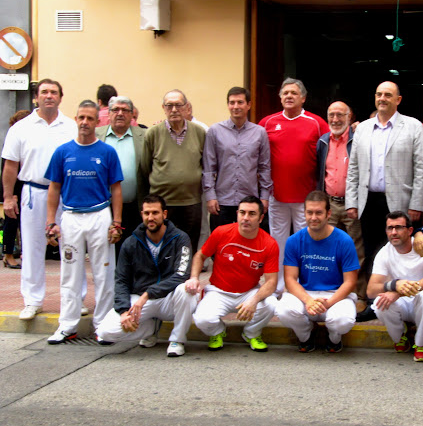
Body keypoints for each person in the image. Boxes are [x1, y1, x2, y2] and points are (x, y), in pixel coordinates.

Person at [346, 81, 423, 319]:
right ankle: (375, 304)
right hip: (369, 201)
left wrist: (416, 204)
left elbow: (421, 169)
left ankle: (404, 303)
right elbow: (353, 168)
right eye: (379, 94)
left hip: (400, 202)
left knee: (400, 252)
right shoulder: (362, 129)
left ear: (398, 100)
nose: (383, 98)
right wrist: (352, 201)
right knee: (372, 253)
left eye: (388, 95)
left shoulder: (413, 127)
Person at [45, 100, 123, 344]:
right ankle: (67, 325)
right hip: (70, 218)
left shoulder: (107, 152)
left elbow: (116, 189)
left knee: (104, 272)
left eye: (90, 118)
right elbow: (54, 188)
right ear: (76, 119)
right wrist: (51, 222)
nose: (85, 123)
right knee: (69, 273)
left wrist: (117, 222)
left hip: (100, 215)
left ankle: (103, 325)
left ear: (97, 121)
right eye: (81, 118)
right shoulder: (62, 152)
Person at [1, 79, 77, 320]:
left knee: (70, 247)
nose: (49, 96)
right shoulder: (21, 128)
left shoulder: (71, 127)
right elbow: (11, 166)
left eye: (54, 92)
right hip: (34, 192)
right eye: (44, 92)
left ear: (61, 97)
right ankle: (32, 300)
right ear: (36, 97)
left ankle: (72, 300)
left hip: (66, 195)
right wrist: (8, 197)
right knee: (33, 248)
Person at [95, 194, 198, 357]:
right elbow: (121, 280)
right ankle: (150, 329)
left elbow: (181, 275)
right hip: (141, 301)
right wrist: (123, 312)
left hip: (168, 299)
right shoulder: (130, 243)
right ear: (141, 214)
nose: (151, 218)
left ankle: (177, 339)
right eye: (147, 213)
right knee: (104, 332)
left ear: (164, 214)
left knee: (187, 291)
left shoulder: (180, 238)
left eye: (155, 213)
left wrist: (148, 294)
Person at [258, 78, 329, 293]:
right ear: (280, 97)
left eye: (294, 93)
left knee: (305, 243)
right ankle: (278, 285)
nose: (289, 96)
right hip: (276, 195)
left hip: (307, 198)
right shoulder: (267, 123)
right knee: (278, 244)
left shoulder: (316, 122)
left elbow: (337, 139)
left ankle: (302, 284)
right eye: (285, 93)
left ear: (303, 98)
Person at [185, 196, 279, 352]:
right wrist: (194, 277)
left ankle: (251, 333)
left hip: (249, 293)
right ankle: (218, 331)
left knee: (272, 304)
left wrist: (254, 300)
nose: (246, 218)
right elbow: (200, 255)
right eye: (242, 213)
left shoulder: (269, 244)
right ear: (237, 214)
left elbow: (271, 282)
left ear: (261, 218)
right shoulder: (221, 232)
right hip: (218, 292)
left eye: (252, 214)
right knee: (202, 319)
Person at [276, 191, 360, 353]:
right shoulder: (294, 241)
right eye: (309, 212)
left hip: (336, 295)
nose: (313, 217)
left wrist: (328, 303)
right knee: (283, 310)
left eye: (319, 213)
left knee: (343, 320)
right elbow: (290, 280)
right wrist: (309, 301)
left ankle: (334, 338)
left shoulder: (344, 241)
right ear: (304, 213)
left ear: (328, 214)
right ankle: (306, 335)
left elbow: (350, 281)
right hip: (306, 294)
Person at [367, 212, 423, 362]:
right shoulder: (384, 253)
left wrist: (399, 292)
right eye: (390, 228)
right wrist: (394, 285)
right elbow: (371, 290)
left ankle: (420, 344)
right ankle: (400, 337)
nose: (394, 232)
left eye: (399, 227)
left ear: (410, 230)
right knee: (379, 303)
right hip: (402, 306)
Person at [142, 89, 206, 253]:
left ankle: (185, 278)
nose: (174, 110)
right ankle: (164, 278)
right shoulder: (152, 133)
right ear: (163, 108)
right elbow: (144, 168)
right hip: (162, 203)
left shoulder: (199, 132)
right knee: (162, 247)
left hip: (191, 202)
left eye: (178, 105)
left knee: (188, 247)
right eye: (169, 106)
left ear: (186, 107)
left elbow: (205, 165)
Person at [203, 87, 271, 232]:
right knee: (220, 246)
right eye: (232, 102)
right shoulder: (215, 131)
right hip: (221, 201)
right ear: (227, 105)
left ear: (249, 105)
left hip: (250, 202)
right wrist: (210, 196)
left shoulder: (259, 132)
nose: (235, 106)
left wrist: (265, 197)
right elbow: (209, 167)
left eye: (240, 102)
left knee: (248, 245)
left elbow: (264, 167)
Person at [316, 101, 365, 298]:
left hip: (352, 204)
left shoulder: (358, 138)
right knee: (327, 249)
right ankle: (329, 290)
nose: (335, 119)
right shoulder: (323, 141)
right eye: (332, 115)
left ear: (349, 117)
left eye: (340, 115)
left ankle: (359, 295)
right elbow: (319, 172)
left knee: (356, 251)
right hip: (329, 203)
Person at [96, 96, 147, 257]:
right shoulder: (96, 136)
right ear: (108, 113)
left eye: (125, 110)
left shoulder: (145, 136)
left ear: (132, 115)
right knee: (104, 252)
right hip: (103, 207)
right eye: (115, 110)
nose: (120, 113)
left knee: (132, 252)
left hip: (133, 205)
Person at [2, 109, 31, 269]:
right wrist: (10, 195)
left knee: (25, 222)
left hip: (26, 186)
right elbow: (6, 168)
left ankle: (24, 253)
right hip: (14, 187)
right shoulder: (12, 139)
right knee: (11, 222)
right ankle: (8, 255)